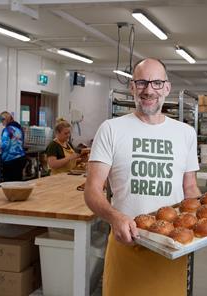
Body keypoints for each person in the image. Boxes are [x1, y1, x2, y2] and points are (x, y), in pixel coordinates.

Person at [84, 58, 201, 296]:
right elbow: (92, 190)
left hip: (172, 245)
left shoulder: (186, 134)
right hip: (126, 243)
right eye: (142, 83)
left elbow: (190, 188)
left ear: (167, 88)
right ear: (132, 87)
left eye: (157, 83)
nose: (149, 90)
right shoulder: (111, 129)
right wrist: (115, 217)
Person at [0, 111, 26, 181]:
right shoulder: (19, 129)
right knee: (18, 181)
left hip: (11, 160)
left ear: (5, 120)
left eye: (2, 122)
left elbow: (5, 144)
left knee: (9, 183)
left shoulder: (7, 130)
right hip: (21, 158)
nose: (2, 124)